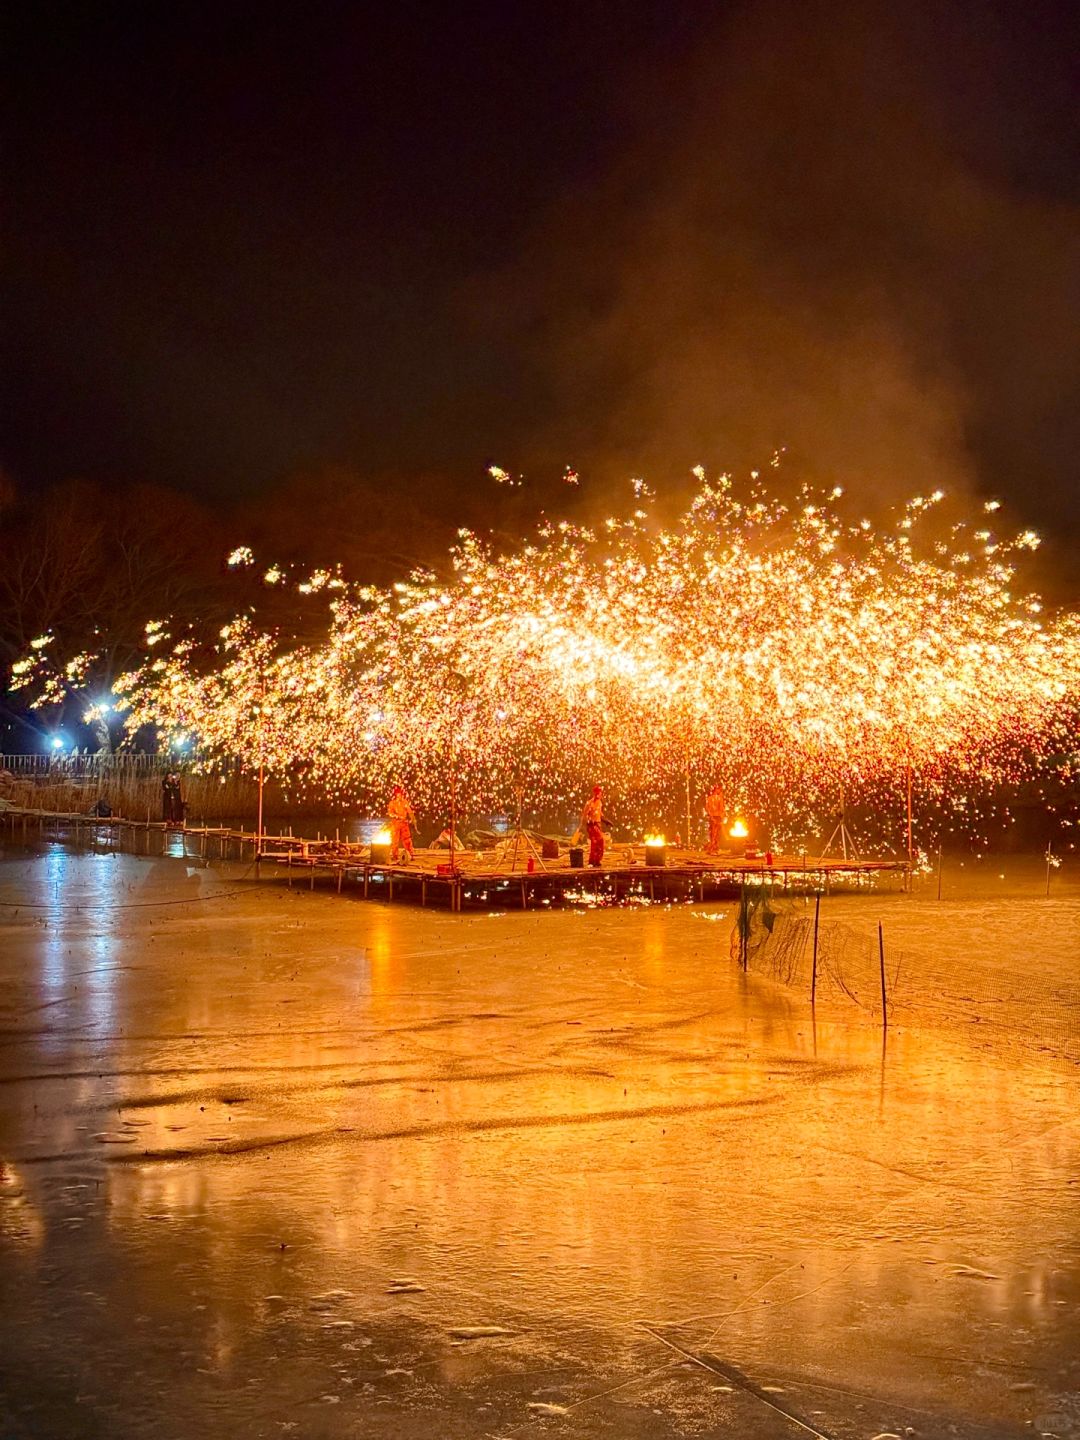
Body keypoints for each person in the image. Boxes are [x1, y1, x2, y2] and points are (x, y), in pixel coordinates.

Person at [387, 785, 416, 862]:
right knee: (394, 841)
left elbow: (409, 811)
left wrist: (412, 818)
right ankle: (394, 855)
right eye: (398, 794)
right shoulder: (392, 803)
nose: (399, 796)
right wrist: (397, 816)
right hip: (395, 824)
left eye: (400, 794)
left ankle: (410, 854)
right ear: (395, 795)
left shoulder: (404, 802)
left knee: (407, 840)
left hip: (404, 824)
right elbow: (390, 813)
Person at [582, 784, 605, 867]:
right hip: (592, 825)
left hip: (598, 824)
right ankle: (592, 861)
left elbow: (599, 813)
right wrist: (588, 823)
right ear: (595, 793)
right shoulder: (589, 803)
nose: (599, 794)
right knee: (597, 841)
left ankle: (596, 861)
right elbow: (585, 816)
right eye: (598, 792)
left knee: (599, 842)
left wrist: (605, 820)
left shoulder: (599, 803)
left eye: (600, 792)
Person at [705, 783, 726, 852]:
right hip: (717, 817)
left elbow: (707, 808)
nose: (720, 791)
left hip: (711, 816)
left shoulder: (709, 798)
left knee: (712, 833)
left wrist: (710, 816)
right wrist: (722, 817)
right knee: (716, 834)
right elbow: (721, 809)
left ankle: (712, 847)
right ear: (716, 790)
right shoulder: (719, 798)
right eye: (719, 789)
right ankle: (714, 848)